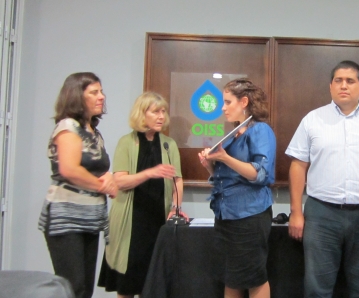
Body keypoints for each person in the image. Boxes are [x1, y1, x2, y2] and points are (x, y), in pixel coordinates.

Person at [285, 60, 359, 297]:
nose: (344, 86)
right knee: (317, 288)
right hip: (321, 215)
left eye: (350, 81)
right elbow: (298, 166)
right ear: (330, 86)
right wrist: (296, 211)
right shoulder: (313, 119)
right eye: (338, 80)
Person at [98, 92, 188, 298]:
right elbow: (119, 181)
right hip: (132, 221)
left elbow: (177, 179)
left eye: (163, 111)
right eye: (155, 111)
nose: (161, 116)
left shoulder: (169, 144)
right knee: (128, 285)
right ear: (142, 113)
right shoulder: (126, 143)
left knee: (155, 284)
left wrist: (175, 208)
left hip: (159, 219)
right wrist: (150, 173)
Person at [38, 72, 118, 298]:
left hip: (90, 219)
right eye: (94, 92)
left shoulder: (94, 132)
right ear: (76, 97)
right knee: (73, 288)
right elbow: (69, 169)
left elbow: (98, 170)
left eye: (101, 91)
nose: (101, 97)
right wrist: (103, 185)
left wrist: (110, 177)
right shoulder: (68, 127)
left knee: (84, 291)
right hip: (67, 218)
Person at [198, 78, 276, 298]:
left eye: (227, 102)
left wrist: (224, 157)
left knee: (254, 277)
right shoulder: (234, 134)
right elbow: (229, 176)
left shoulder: (260, 130)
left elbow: (260, 174)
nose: (222, 107)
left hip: (249, 215)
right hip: (226, 215)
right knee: (230, 277)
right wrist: (211, 165)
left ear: (244, 102)